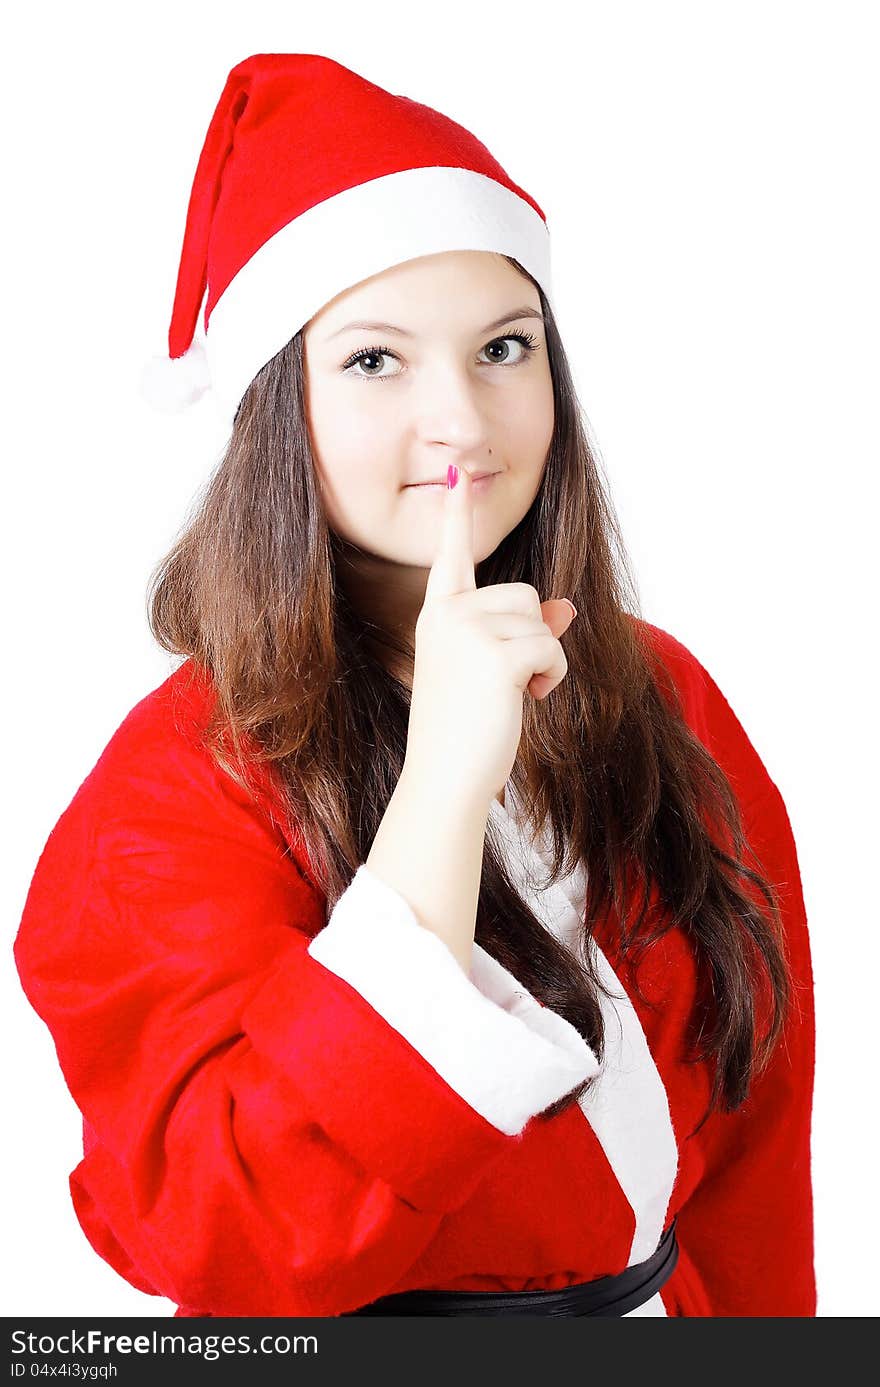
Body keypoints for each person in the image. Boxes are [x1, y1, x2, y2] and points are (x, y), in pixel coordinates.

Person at [13, 51, 816, 1318]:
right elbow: (238, 1241)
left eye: (504, 347)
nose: (464, 421)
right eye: (376, 362)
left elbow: (760, 1156)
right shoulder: (171, 790)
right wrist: (442, 784)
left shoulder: (666, 695)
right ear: (279, 405)